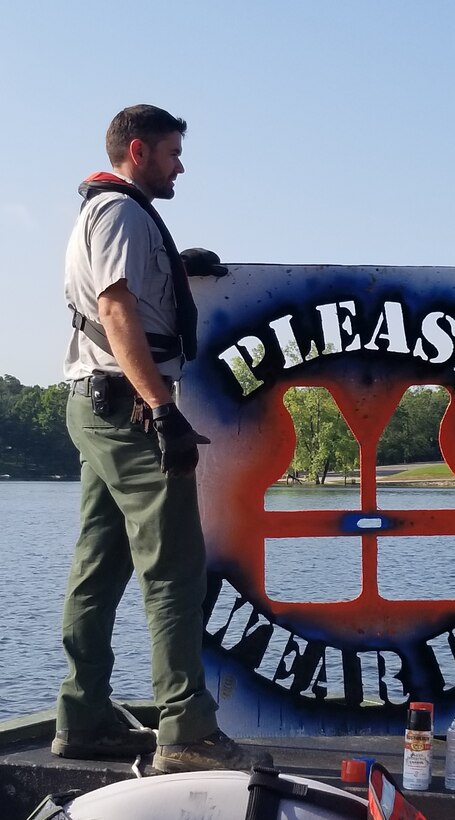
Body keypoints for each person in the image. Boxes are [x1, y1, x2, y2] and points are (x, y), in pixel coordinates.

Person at [54, 104, 272, 773]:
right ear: (139, 150)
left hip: (95, 403)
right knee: (174, 565)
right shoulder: (119, 212)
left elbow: (126, 292)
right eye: (174, 152)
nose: (181, 165)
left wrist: (175, 264)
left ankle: (82, 717)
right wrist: (163, 409)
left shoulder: (107, 212)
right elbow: (116, 308)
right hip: (127, 405)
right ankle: (186, 732)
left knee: (100, 563)